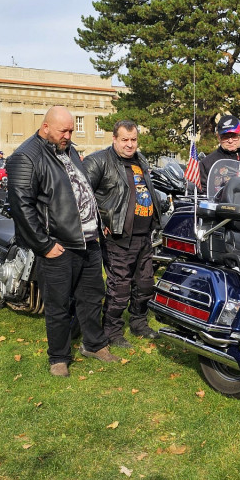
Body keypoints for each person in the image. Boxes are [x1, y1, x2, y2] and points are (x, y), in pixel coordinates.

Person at [6, 105, 116, 377]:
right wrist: (44, 245)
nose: (69, 135)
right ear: (45, 127)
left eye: (70, 130)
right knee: (58, 305)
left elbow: (81, 188)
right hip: (58, 245)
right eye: (63, 130)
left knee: (91, 297)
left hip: (88, 241)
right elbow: (22, 206)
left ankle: (94, 344)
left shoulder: (69, 150)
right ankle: (58, 357)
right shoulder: (26, 156)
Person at [83, 120, 160, 349]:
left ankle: (138, 322)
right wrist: (100, 222)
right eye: (124, 140)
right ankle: (112, 331)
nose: (129, 144)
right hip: (117, 236)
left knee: (145, 284)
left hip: (144, 235)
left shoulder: (141, 160)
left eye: (133, 139)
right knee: (120, 287)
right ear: (114, 139)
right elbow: (83, 195)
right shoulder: (98, 161)